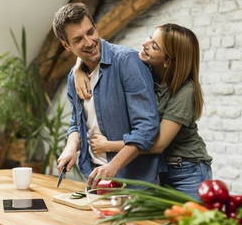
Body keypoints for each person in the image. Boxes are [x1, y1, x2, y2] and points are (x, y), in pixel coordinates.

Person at [74, 23, 212, 200]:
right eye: (150, 37)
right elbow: (103, 49)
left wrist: (108, 145)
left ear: (167, 61)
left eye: (154, 46)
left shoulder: (185, 91)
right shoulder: (148, 70)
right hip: (160, 169)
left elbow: (159, 143)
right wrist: (78, 68)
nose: (145, 44)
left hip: (187, 170)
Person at [53, 3, 161, 188]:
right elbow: (77, 123)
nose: (89, 42)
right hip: (94, 177)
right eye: (78, 39)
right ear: (66, 46)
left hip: (133, 181)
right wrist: (71, 148)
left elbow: (147, 128)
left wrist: (113, 166)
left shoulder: (127, 61)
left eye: (90, 32)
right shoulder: (74, 77)